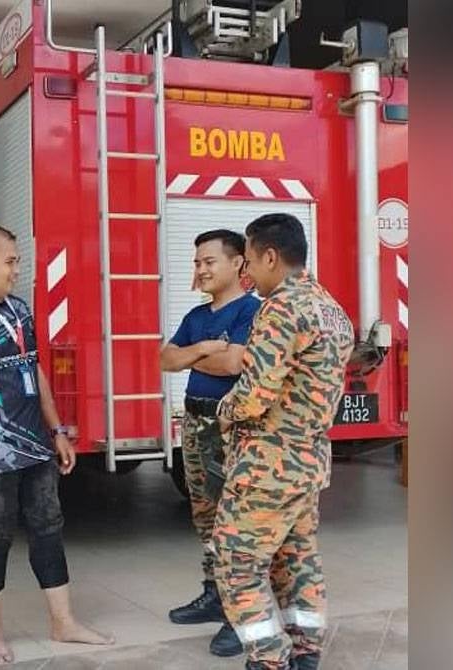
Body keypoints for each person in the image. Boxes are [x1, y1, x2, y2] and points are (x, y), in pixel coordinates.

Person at [0, 224, 114, 665]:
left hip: (37, 448)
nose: (17, 270)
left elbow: (37, 373)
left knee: (49, 529)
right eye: (10, 261)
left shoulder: (19, 311)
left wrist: (58, 431)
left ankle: (63, 622)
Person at [214, 213, 355, 670]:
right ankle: (306, 654)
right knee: (297, 561)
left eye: (250, 261)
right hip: (309, 463)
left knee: (237, 565)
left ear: (271, 256)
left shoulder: (280, 309)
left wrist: (224, 411)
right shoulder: (331, 309)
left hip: (267, 466)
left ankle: (270, 659)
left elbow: (255, 395)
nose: (246, 273)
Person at [161, 229, 260, 657]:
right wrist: (202, 347)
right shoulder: (198, 319)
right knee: (205, 519)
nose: (199, 270)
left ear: (238, 264)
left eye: (208, 262)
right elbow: (166, 359)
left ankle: (243, 616)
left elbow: (235, 362)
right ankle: (214, 594)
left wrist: (197, 356)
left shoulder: (250, 311)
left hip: (229, 429)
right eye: (197, 262)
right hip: (195, 423)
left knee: (234, 524)